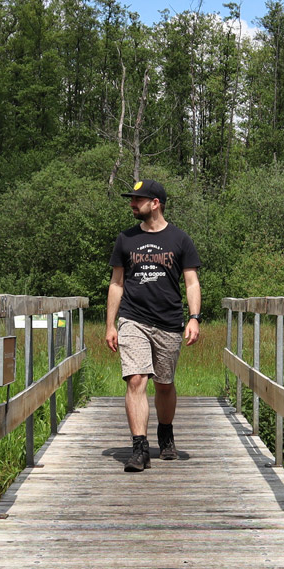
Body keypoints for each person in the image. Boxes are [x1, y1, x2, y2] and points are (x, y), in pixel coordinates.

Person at [104, 178, 201, 472]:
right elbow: (116, 283)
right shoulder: (126, 239)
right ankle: (139, 448)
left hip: (169, 321)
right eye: (132, 199)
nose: (132, 204)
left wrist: (194, 317)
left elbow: (192, 282)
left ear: (155, 203)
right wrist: (111, 325)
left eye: (138, 199)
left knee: (164, 384)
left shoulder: (180, 240)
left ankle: (166, 432)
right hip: (133, 318)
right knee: (136, 379)